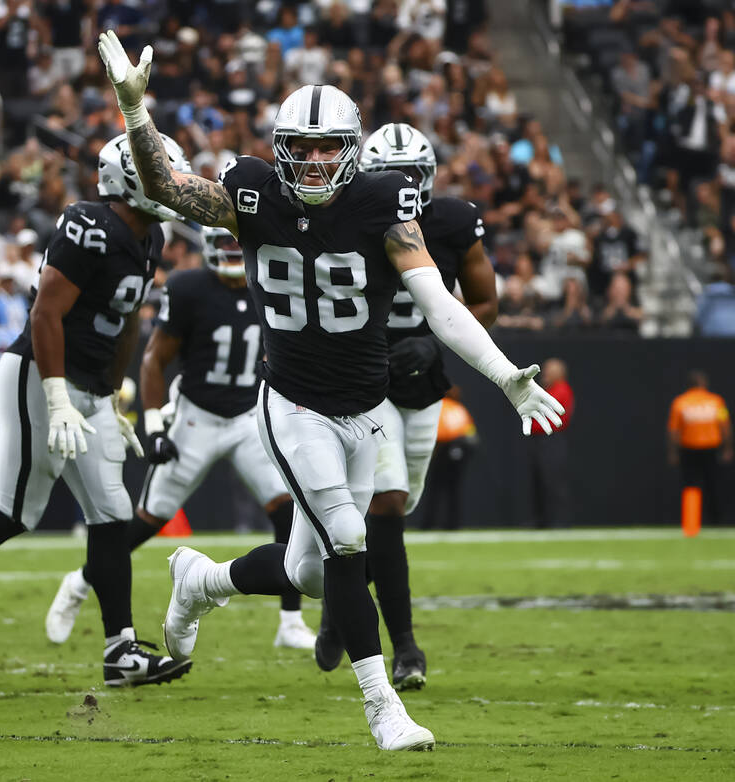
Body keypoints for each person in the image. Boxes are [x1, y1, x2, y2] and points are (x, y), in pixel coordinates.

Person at [97, 31, 563, 751]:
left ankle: (202, 582)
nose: (314, 160)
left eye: (328, 146)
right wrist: (136, 110)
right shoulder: (251, 194)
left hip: (366, 408)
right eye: (302, 145)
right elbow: (165, 187)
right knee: (349, 539)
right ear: (281, 146)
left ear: (352, 147)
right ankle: (384, 710)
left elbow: (440, 306)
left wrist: (504, 375)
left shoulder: (380, 205)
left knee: (308, 570)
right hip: (291, 404)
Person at [0, 133, 194, 688]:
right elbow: (46, 315)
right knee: (13, 512)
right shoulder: (87, 224)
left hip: (89, 387)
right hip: (38, 373)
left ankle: (120, 650)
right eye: (158, 171)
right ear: (128, 177)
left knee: (112, 513)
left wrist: (111, 396)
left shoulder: (152, 238)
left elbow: (126, 322)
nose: (169, 183)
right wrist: (55, 398)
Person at [44, 226, 314, 651]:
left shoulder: (269, 282)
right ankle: (79, 581)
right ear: (207, 246)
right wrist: (153, 425)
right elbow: (154, 359)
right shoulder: (189, 287)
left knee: (287, 509)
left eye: (234, 242)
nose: (229, 250)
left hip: (247, 416)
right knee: (148, 519)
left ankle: (291, 620)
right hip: (196, 418)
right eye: (221, 242)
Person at [312, 123, 497, 692]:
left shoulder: (452, 223)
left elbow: (485, 300)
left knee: (397, 505)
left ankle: (340, 598)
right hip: (366, 383)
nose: (401, 187)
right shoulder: (345, 215)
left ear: (429, 178)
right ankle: (405, 648)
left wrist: (433, 341)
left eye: (412, 177)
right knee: (387, 505)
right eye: (388, 177)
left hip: (422, 386)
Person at [668, 370, 733, 526]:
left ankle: (691, 523)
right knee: (713, 485)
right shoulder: (716, 401)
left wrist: (673, 452)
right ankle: (716, 522)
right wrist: (728, 448)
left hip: (689, 449)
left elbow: (673, 431)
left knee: (691, 486)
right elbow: (725, 426)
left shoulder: (680, 402)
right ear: (702, 383)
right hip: (710, 448)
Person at [527, 358, 575, 528]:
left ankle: (559, 521)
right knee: (539, 481)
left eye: (549, 370)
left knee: (553, 482)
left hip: (552, 439)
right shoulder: (548, 389)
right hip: (539, 439)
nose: (544, 374)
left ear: (559, 373)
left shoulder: (561, 390)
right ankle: (541, 520)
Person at [421, 388, 478, 531]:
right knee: (454, 490)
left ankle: (430, 523)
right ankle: (453, 524)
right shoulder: (460, 409)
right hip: (460, 451)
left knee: (436, 489)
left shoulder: (442, 407)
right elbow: (471, 434)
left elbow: (438, 434)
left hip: (442, 451)